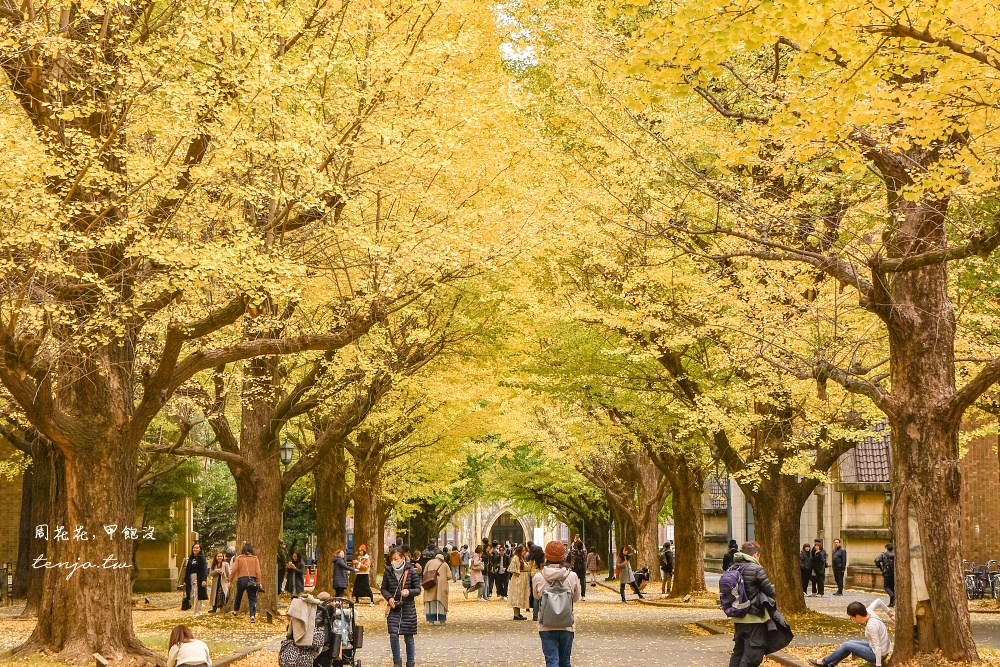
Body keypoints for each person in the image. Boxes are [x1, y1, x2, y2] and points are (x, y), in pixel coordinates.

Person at [532, 541, 582, 667]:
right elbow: (576, 598)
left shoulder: (538, 577)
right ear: (564, 556)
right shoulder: (572, 576)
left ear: (546, 556)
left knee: (552, 661)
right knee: (565, 662)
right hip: (567, 625)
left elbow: (536, 596)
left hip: (546, 625)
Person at [807, 599, 894, 667]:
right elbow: (879, 601)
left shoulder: (872, 626)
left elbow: (878, 646)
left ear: (858, 615)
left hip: (877, 655)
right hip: (879, 648)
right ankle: (831, 664)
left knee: (846, 645)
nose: (852, 619)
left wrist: (878, 665)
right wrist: (890, 615)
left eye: (852, 617)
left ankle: (823, 662)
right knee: (849, 643)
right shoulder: (869, 611)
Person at [730, 541, 777, 667]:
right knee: (753, 655)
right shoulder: (756, 569)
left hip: (738, 616)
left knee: (738, 652)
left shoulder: (733, 567)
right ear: (756, 555)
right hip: (754, 617)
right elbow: (770, 591)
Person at [382, 547, 422, 667]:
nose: (394, 561)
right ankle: (397, 661)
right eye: (392, 559)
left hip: (408, 608)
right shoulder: (388, 571)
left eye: (396, 559)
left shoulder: (411, 571)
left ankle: (410, 662)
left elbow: (418, 589)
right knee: (393, 634)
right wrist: (389, 598)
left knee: (408, 636)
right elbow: (383, 588)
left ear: (402, 558)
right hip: (394, 607)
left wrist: (409, 592)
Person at [230, 542, 263, 623]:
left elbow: (234, 570)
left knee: (239, 595)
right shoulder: (255, 558)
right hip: (252, 580)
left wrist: (230, 581)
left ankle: (235, 611)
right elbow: (258, 571)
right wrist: (260, 582)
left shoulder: (239, 558)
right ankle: (252, 616)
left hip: (241, 579)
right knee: (252, 598)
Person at [180, 544, 209, 618]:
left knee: (197, 595)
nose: (195, 549)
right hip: (190, 578)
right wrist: (185, 580)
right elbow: (187, 570)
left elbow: (204, 569)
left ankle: (197, 612)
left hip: (198, 578)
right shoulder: (190, 558)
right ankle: (198, 606)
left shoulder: (202, 558)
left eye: (197, 548)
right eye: (194, 548)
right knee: (191, 595)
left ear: (200, 549)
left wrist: (204, 579)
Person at [423, 551, 450, 625]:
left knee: (430, 601)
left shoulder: (429, 562)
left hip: (430, 583)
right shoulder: (444, 564)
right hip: (441, 585)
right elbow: (449, 576)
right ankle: (442, 620)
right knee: (441, 601)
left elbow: (424, 573)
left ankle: (431, 620)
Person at [508, 545, 531, 620]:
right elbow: (512, 568)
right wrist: (518, 573)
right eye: (523, 551)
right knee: (517, 595)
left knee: (521, 595)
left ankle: (518, 612)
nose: (524, 552)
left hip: (523, 578)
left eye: (525, 551)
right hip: (518, 578)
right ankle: (516, 614)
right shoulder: (516, 558)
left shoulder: (522, 558)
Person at [527, 544, 545, 620]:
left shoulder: (532, 560)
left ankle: (535, 615)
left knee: (535, 596)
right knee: (542, 596)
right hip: (542, 577)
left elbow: (528, 568)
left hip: (534, 577)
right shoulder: (543, 559)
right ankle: (542, 614)